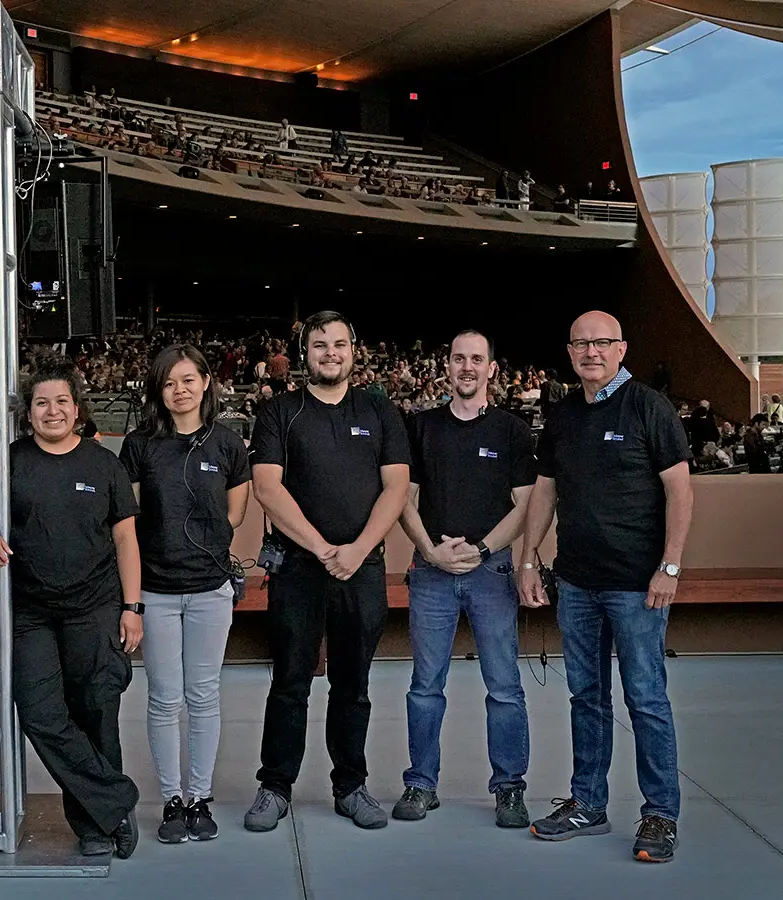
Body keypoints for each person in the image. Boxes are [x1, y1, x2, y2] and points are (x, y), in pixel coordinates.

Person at [519, 310, 693, 864]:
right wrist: (528, 559)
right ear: (569, 352)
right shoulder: (564, 414)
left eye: (601, 343)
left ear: (621, 348)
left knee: (645, 699)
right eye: (580, 344)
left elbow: (680, 492)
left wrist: (670, 567)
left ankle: (660, 814)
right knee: (586, 697)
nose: (590, 352)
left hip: (637, 587)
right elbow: (545, 493)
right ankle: (588, 805)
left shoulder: (649, 407)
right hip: (576, 584)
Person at [244, 311, 411, 832]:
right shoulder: (279, 412)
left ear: (354, 351)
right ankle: (275, 787)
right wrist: (321, 549)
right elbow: (267, 487)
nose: (330, 353)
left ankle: (351, 786)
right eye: (320, 345)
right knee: (290, 682)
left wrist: (358, 549)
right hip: (299, 568)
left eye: (339, 344)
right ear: (305, 353)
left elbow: (396, 487)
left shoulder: (379, 410)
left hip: (362, 569)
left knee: (352, 684)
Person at [0, 361, 144, 858]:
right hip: (30, 612)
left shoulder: (103, 464)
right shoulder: (9, 461)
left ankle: (95, 825)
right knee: (41, 712)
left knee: (96, 710)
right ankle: (115, 799)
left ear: (77, 408)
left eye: (61, 401)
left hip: (95, 607)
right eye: (42, 402)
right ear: (28, 412)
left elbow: (126, 539)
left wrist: (132, 607)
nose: (52, 411)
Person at [393, 329, 535, 829]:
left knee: (504, 687)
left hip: (491, 572)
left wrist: (482, 548)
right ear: (447, 366)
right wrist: (431, 550)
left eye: (476, 359)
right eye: (459, 358)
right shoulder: (422, 427)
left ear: (491, 368)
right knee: (424, 686)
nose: (467, 367)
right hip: (431, 572)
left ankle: (510, 788)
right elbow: (403, 499)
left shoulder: (512, 431)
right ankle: (421, 783)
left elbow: (526, 506)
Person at [119, 345, 251, 843]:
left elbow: (233, 515)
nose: (180, 390)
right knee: (163, 697)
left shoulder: (227, 444)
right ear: (158, 389)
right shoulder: (139, 445)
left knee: (203, 694)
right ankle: (172, 800)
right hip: (155, 591)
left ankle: (199, 798)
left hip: (210, 589)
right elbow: (129, 522)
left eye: (189, 380)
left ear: (205, 382)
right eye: (170, 382)